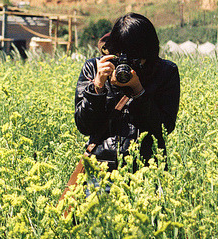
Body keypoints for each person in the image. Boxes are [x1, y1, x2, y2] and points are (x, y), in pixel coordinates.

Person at [74, 13, 180, 172]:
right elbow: (84, 126)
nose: (127, 63)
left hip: (147, 169)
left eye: (135, 58)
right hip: (101, 169)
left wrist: (138, 90)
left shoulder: (165, 72)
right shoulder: (95, 68)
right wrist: (98, 87)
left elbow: (164, 128)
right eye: (120, 56)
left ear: (148, 52)